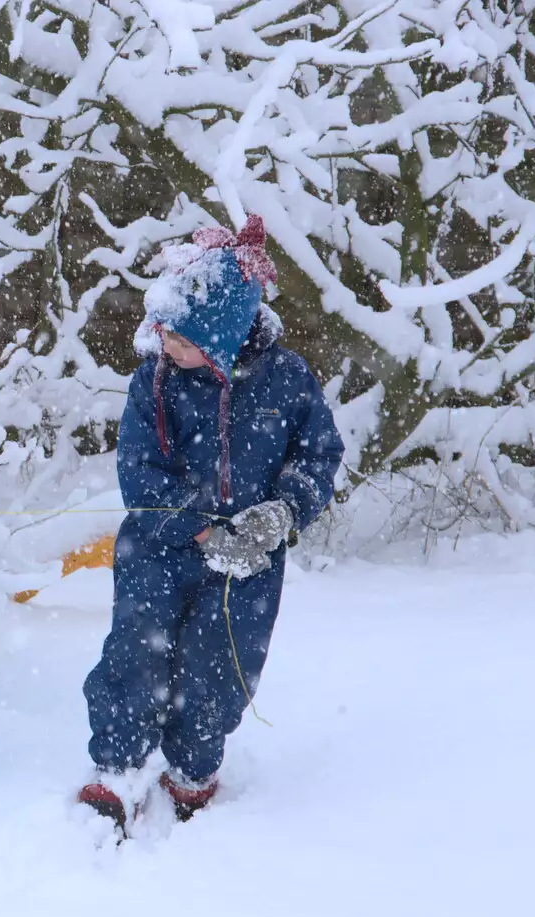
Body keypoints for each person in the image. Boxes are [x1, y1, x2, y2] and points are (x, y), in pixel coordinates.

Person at [77, 215, 344, 831]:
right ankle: (117, 768)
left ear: (222, 335)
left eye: (179, 335)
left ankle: (193, 769)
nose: (162, 342)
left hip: (248, 562)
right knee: (135, 656)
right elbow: (139, 472)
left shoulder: (287, 381)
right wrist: (197, 529)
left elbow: (319, 454)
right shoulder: (155, 381)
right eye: (162, 329)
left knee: (218, 667)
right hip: (159, 548)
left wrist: (280, 514)